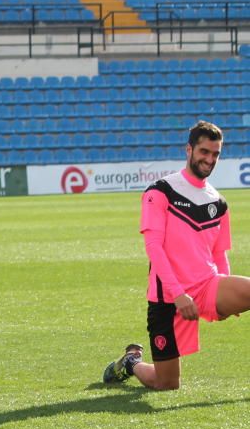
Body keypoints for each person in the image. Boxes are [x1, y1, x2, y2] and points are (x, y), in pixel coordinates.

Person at [104, 121, 250, 390]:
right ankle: (131, 362)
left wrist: (227, 294)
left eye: (215, 154)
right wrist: (178, 294)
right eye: (204, 151)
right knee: (167, 383)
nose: (209, 159)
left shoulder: (218, 202)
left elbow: (219, 252)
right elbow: (154, 248)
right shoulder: (161, 191)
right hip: (167, 299)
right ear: (189, 149)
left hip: (207, 287)